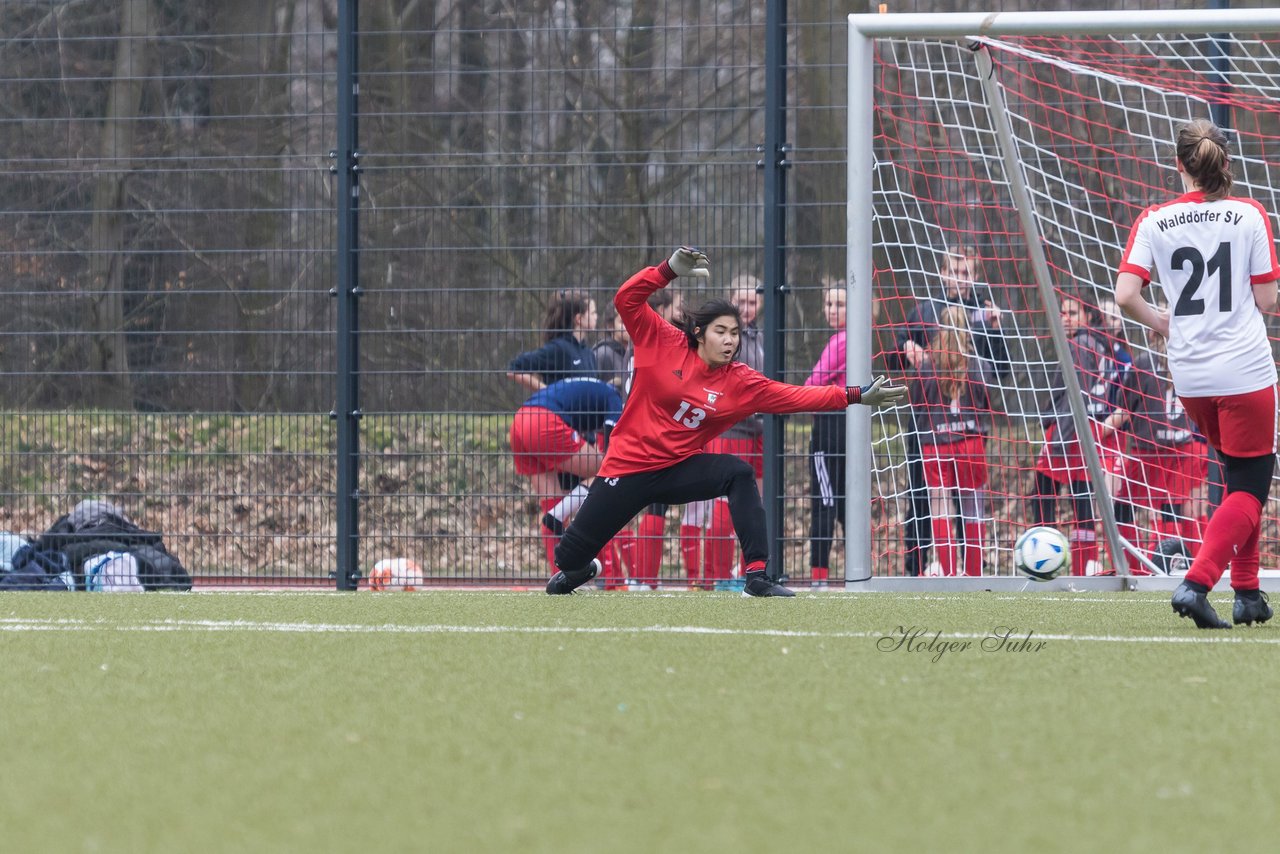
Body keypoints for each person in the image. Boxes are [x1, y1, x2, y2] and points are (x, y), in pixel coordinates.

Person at [546, 246, 908, 597]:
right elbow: (626, 299)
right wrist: (667, 270)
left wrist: (856, 395)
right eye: (721, 331)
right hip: (627, 468)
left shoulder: (740, 381)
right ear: (700, 332)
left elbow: (796, 396)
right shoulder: (661, 339)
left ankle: (756, 576)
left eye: (735, 333)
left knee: (738, 473)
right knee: (567, 560)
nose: (730, 340)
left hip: (677, 469)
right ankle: (585, 568)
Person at [1115, 118, 1279, 629]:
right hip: (1245, 371)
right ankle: (1198, 582)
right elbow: (1267, 299)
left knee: (1236, 479)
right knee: (1252, 487)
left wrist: (1162, 321)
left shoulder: (1154, 218)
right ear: (1225, 164)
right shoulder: (1249, 213)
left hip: (1189, 377)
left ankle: (1248, 592)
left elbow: (1125, 295)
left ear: (1180, 165)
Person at [889, 246, 1009, 575]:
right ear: (942, 272)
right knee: (922, 497)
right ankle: (917, 567)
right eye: (954, 271)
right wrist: (905, 349)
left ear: (976, 275)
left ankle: (966, 568)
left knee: (966, 501)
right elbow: (894, 355)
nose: (960, 278)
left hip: (969, 427)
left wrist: (997, 330)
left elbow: (1001, 370)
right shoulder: (924, 312)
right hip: (927, 425)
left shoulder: (986, 314)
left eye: (967, 272)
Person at [1030, 293, 1114, 575]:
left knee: (1041, 495)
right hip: (1087, 430)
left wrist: (1058, 440)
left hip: (1070, 432)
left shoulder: (1079, 345)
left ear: (1088, 317)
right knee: (1081, 500)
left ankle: (1043, 562)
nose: (1066, 318)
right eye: (1063, 312)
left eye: (1073, 313)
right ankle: (1084, 566)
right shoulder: (1101, 345)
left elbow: (1073, 400)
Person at [509, 377, 623, 582]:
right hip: (544, 421)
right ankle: (557, 516)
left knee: (551, 501)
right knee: (607, 471)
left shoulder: (590, 388)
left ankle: (561, 579)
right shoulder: (614, 397)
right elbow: (612, 444)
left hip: (520, 421)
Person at [910, 306, 992, 576]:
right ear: (968, 329)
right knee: (972, 508)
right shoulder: (978, 363)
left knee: (940, 506)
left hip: (936, 442)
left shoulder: (927, 364)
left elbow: (917, 402)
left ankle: (947, 572)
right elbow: (987, 401)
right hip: (970, 441)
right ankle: (973, 574)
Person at [701, 274, 767, 589]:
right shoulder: (722, 339)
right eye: (741, 302)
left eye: (752, 302)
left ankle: (751, 570)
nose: (747, 308)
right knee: (723, 502)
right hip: (731, 429)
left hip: (760, 430)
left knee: (757, 500)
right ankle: (716, 575)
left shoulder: (763, 337)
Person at [805, 279, 849, 587]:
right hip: (851, 428)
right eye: (828, 304)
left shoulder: (842, 341)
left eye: (840, 304)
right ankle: (855, 575)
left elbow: (812, 385)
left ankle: (818, 577)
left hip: (830, 428)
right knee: (847, 503)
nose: (832, 310)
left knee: (825, 502)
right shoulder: (855, 339)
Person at [507, 289, 600, 392]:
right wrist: (549, 393)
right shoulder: (559, 349)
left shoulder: (589, 353)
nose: (596, 317)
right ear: (578, 319)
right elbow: (515, 369)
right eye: (593, 313)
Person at [592, 303, 630, 394]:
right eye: (623, 322)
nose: (630, 326)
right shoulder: (602, 353)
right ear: (610, 326)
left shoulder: (637, 353)